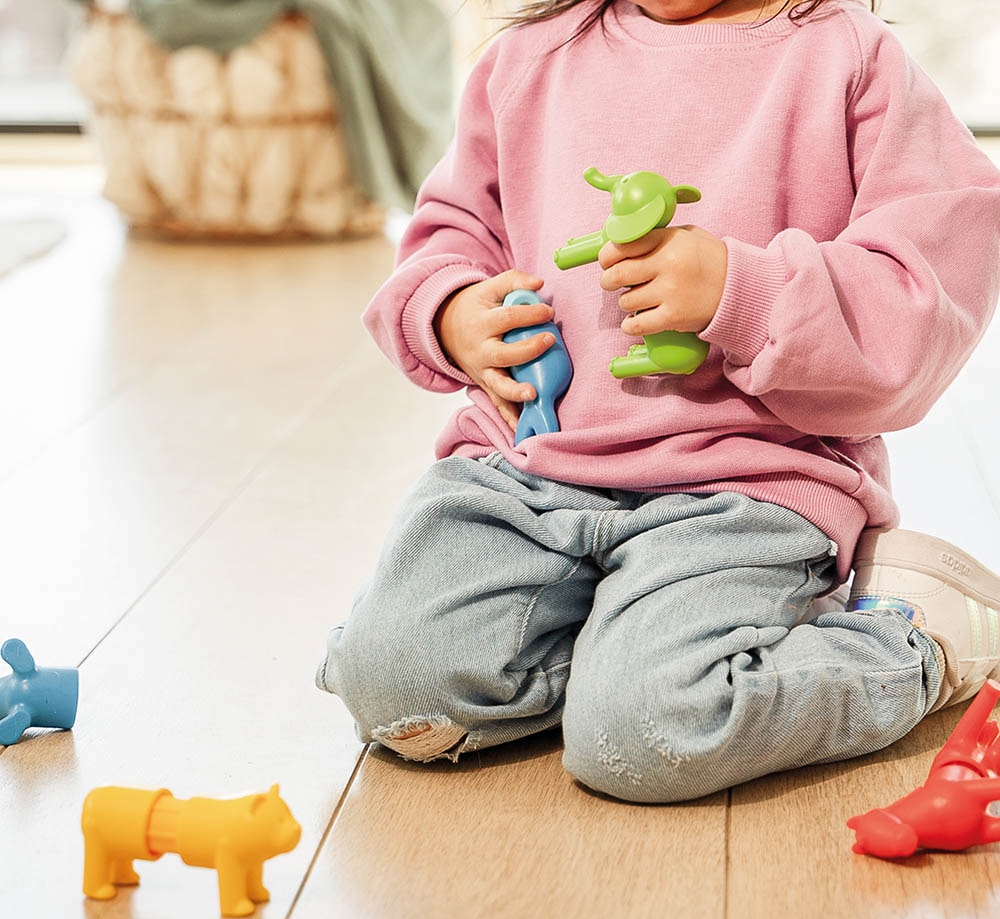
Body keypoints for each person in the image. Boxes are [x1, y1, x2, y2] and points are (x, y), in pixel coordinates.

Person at [316, 0, 1000, 803]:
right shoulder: (530, 58)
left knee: (650, 731)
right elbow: (451, 232)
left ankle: (919, 642)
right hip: (524, 471)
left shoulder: (849, 59)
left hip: (746, 486)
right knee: (396, 686)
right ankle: (620, 646)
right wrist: (449, 311)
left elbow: (927, 289)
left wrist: (743, 292)